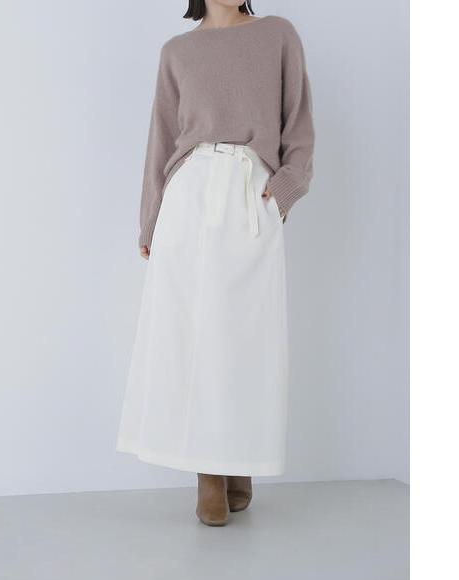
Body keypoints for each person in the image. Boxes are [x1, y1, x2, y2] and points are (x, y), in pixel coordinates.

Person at [117, 0, 314, 526]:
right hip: (188, 197)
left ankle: (240, 456)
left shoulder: (278, 35)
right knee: (195, 334)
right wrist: (150, 220)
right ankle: (209, 472)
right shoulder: (177, 52)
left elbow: (298, 125)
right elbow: (161, 141)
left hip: (251, 193)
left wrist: (284, 189)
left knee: (247, 335)